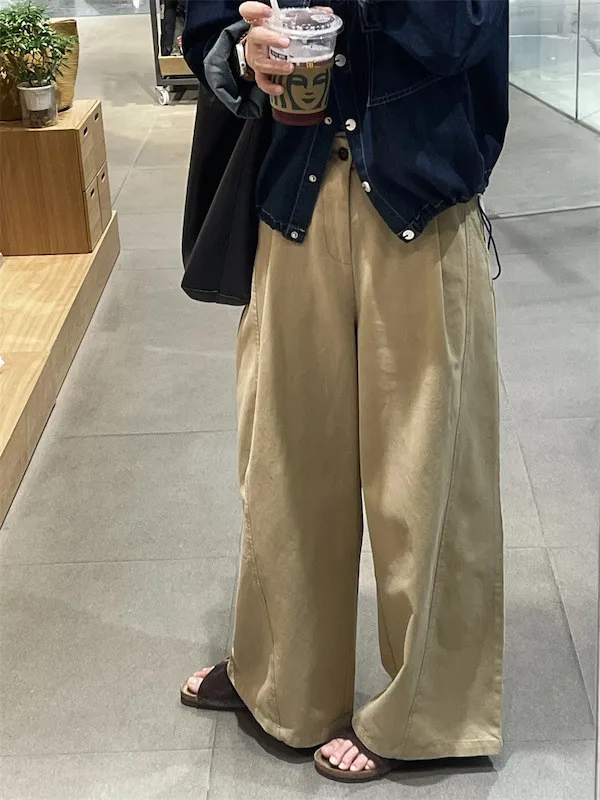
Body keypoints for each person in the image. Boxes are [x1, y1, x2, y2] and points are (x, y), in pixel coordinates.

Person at [181, 0, 508, 784]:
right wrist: (242, 47)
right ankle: (281, 682)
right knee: (283, 457)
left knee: (427, 472)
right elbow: (209, 20)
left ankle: (426, 712)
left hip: (422, 198)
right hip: (292, 193)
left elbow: (463, 31)